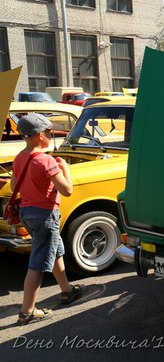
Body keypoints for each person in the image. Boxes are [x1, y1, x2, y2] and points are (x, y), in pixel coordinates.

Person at [12, 113, 83, 326]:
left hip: (27, 214)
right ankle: (27, 312)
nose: (51, 135)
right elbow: (67, 190)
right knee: (38, 264)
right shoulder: (46, 160)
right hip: (45, 215)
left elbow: (15, 187)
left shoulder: (19, 157)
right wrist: (65, 169)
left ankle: (66, 291)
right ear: (41, 135)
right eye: (50, 132)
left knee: (55, 250)